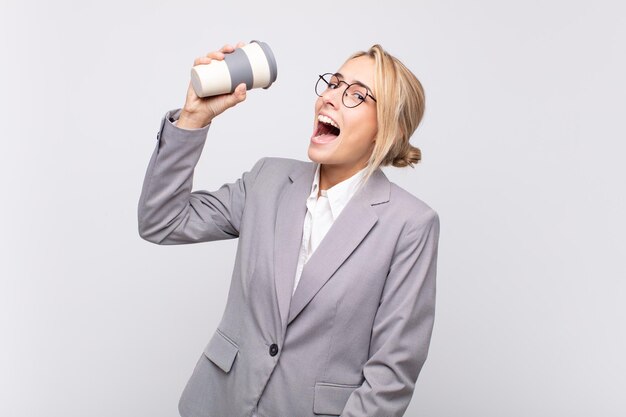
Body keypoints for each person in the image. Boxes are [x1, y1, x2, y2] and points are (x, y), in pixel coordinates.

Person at [138, 42, 441, 417]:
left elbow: (392, 373)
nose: (330, 98)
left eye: (357, 96)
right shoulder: (268, 179)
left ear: (387, 132)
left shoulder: (410, 225)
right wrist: (193, 118)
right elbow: (161, 221)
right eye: (334, 83)